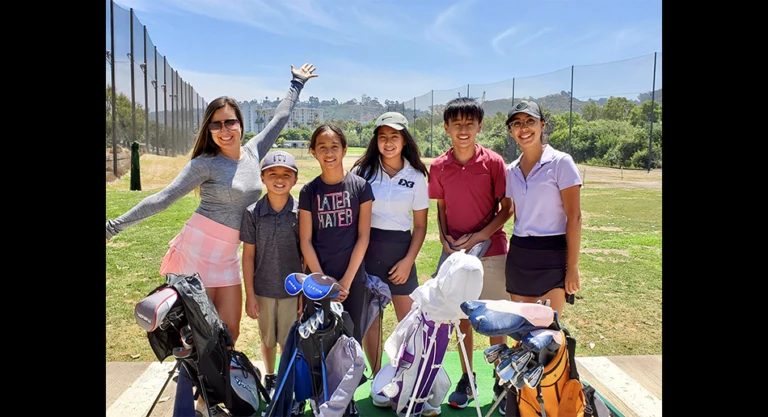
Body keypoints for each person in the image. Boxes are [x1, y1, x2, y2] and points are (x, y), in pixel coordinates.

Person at [105, 63, 318, 417]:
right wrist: (113, 227)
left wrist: (296, 83)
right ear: (210, 129)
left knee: (228, 331)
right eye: (216, 124)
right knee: (194, 335)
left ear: (240, 123)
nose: (224, 129)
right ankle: (193, 401)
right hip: (196, 250)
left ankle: (208, 400)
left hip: (227, 258)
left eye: (230, 121)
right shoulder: (205, 163)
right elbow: (164, 198)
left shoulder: (253, 151)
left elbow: (280, 119)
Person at [427, 97, 514, 414]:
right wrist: (445, 239)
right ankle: (467, 378)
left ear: (479, 126)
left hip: (491, 251)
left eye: (469, 123)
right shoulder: (438, 167)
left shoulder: (493, 162)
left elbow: (506, 210)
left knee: (495, 321)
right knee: (461, 319)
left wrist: (477, 237)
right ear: (447, 127)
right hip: (455, 256)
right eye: (456, 124)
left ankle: (501, 382)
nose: (463, 130)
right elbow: (440, 208)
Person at [350, 112, 430, 407]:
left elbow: (420, 226)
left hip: (400, 251)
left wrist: (408, 260)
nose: (388, 142)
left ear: (404, 139)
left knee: (408, 322)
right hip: (368, 248)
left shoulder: (417, 175)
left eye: (394, 136)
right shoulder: (363, 171)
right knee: (371, 320)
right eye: (382, 136)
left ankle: (405, 378)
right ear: (376, 141)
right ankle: (377, 378)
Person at [298, 124, 374, 417]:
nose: (328, 153)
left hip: (352, 280)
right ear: (314, 151)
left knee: (348, 343)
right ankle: (322, 400)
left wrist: (346, 281)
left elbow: (363, 236)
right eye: (322, 147)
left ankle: (348, 399)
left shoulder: (360, 187)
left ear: (344, 149)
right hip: (319, 283)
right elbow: (305, 240)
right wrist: (324, 283)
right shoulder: (309, 191)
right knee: (318, 341)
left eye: (334, 146)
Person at [504, 100, 582, 318]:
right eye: (517, 123)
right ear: (511, 131)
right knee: (520, 331)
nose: (524, 128)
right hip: (520, 253)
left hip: (552, 254)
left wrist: (572, 267)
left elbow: (574, 217)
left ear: (542, 125)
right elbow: (517, 214)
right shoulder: (511, 171)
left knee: (547, 332)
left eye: (530, 121)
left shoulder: (561, 163)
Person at [240, 150, 303, 401]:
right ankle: (270, 375)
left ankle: (287, 380)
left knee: (288, 341)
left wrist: (303, 294)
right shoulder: (252, 212)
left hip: (292, 291)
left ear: (295, 180)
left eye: (286, 174)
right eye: (272, 174)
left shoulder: (301, 212)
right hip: (263, 289)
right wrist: (250, 294)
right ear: (262, 178)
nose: (279, 179)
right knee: (267, 338)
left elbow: (305, 256)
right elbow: (248, 256)